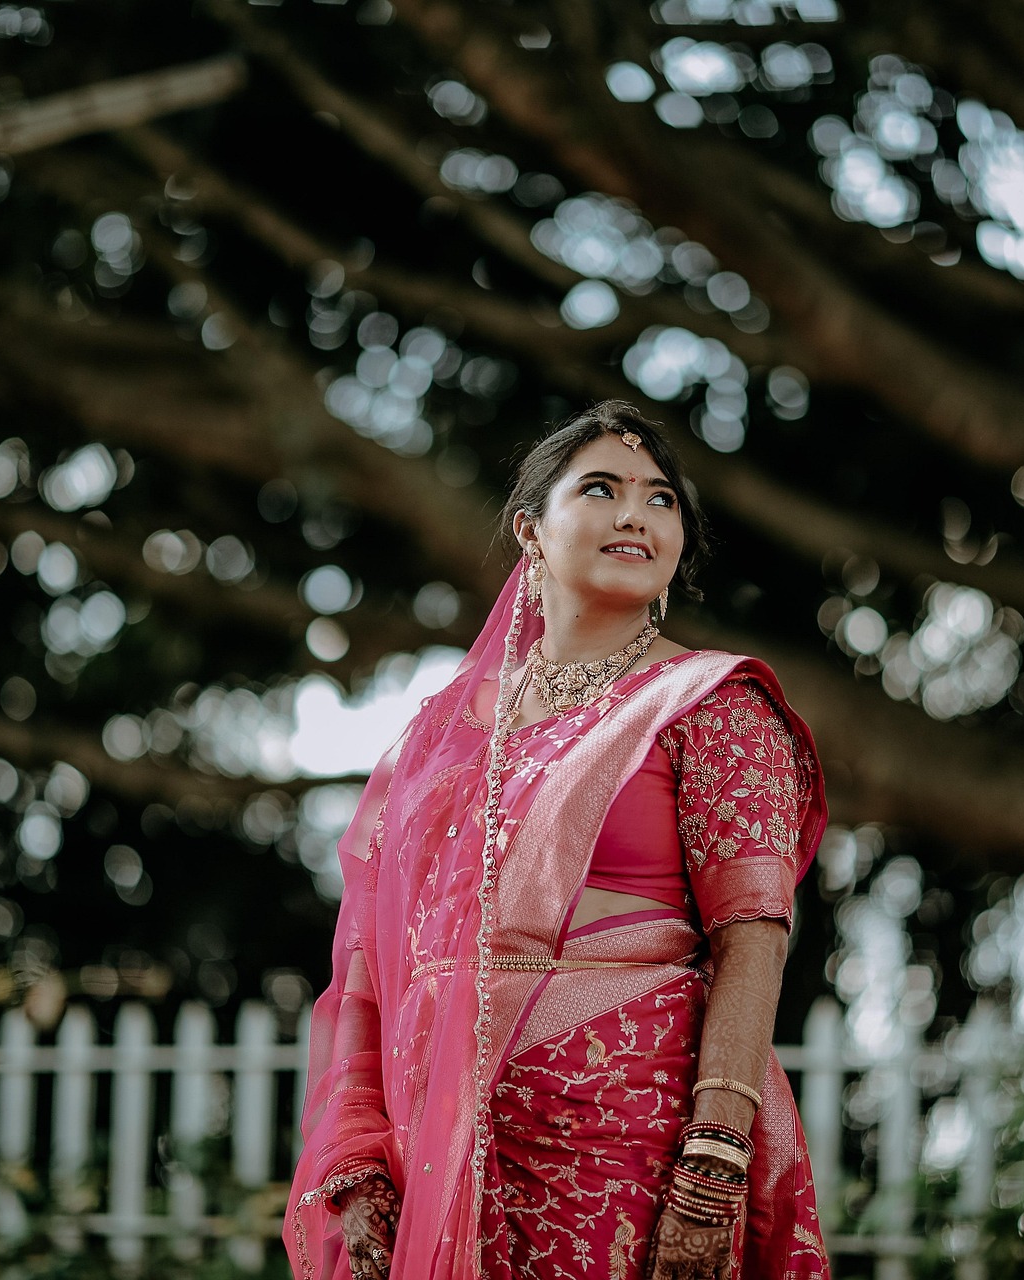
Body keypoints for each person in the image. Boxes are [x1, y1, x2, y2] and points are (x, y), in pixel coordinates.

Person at [285, 402, 830, 1280]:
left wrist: (716, 1153)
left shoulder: (712, 706)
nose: (635, 515)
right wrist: (356, 1147)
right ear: (530, 530)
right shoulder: (442, 733)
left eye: (660, 499)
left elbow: (753, 938)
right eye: (602, 489)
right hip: (436, 1143)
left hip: (627, 1144)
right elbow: (370, 961)